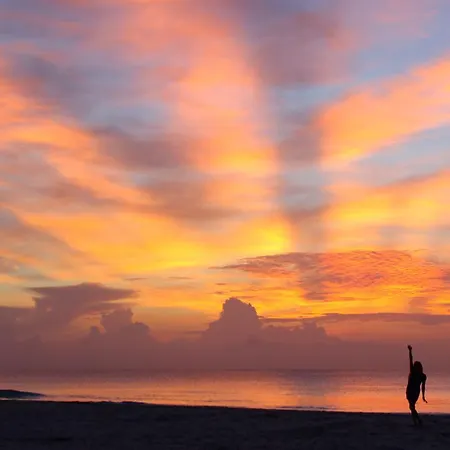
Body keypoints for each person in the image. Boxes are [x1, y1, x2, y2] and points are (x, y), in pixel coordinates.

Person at [406, 345, 427, 426]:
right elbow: (410, 360)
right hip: (411, 391)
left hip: (413, 392)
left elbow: (423, 387)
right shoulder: (416, 373)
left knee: (411, 407)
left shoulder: (421, 376)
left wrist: (423, 396)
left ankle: (418, 420)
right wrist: (410, 351)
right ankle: (416, 421)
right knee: (412, 407)